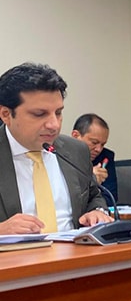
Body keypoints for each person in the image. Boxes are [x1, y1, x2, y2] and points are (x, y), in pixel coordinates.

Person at [0, 62, 112, 234]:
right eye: (39, 114)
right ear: (6, 114)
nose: (54, 125)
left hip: (74, 249)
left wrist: (97, 212)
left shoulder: (76, 151)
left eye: (58, 113)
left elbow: (94, 196)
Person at [71, 113, 118, 206]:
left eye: (102, 144)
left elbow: (111, 198)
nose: (98, 149)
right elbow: (66, 199)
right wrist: (89, 179)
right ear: (75, 136)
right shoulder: (61, 156)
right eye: (94, 142)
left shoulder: (105, 157)